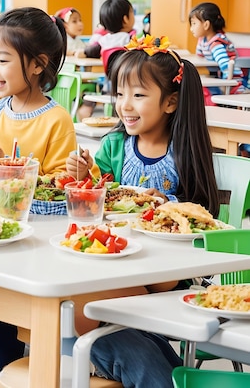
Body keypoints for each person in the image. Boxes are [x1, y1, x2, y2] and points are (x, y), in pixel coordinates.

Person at [66, 35, 220, 387]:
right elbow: (97, 195)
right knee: (80, 292)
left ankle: (80, 346)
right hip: (116, 259)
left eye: (138, 95)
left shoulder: (186, 149)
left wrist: (168, 208)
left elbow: (203, 214)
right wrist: (84, 177)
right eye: (120, 94)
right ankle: (86, 344)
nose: (125, 105)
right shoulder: (115, 145)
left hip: (164, 270)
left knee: (77, 301)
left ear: (170, 102)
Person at [0, 7, 77, 174]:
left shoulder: (57, 120)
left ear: (38, 64)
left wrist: (7, 165)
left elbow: (60, 181)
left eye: (2, 60)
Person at [78, 0, 135, 120]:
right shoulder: (130, 39)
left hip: (107, 88)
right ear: (126, 19)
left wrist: (82, 52)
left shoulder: (104, 40)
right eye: (132, 12)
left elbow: (91, 50)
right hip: (128, 88)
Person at [189, 2, 245, 91]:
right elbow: (199, 57)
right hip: (218, 76)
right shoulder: (203, 40)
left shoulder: (216, 44)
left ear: (206, 25)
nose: (191, 28)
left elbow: (225, 65)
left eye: (194, 24)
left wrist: (228, 86)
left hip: (234, 80)